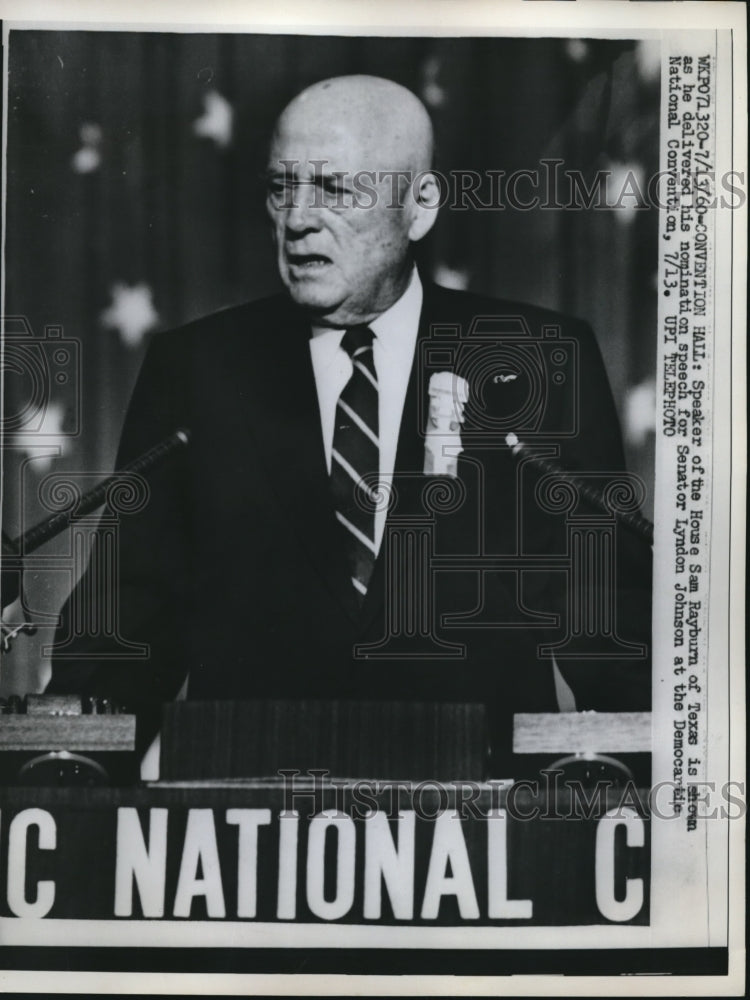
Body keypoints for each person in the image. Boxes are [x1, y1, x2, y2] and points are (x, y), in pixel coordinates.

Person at [46, 75, 651, 772]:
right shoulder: (197, 371)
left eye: (335, 189)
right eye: (282, 188)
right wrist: (65, 765)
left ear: (420, 206)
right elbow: (127, 628)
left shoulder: (539, 361)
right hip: (244, 816)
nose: (297, 219)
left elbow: (610, 624)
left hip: (482, 819)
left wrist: (648, 792)